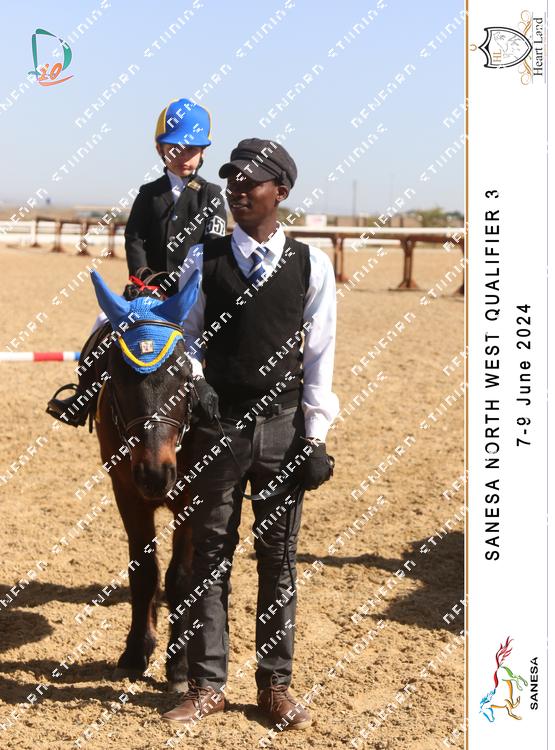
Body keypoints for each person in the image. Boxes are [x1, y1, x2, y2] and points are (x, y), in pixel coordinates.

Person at [162, 138, 338, 730]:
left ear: (280, 191)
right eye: (231, 180)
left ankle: (274, 687)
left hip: (283, 431)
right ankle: (206, 686)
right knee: (208, 558)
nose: (236, 189)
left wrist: (314, 436)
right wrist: (197, 382)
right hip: (215, 431)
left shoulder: (311, 265)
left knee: (278, 560)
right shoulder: (203, 259)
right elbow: (184, 337)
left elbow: (320, 355)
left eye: (250, 181)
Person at [46, 98, 226, 427]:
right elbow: (135, 238)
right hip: (148, 291)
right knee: (102, 323)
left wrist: (192, 284)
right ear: (160, 149)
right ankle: (82, 397)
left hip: (194, 294)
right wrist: (143, 278)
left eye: (192, 149)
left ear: (203, 152)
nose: (184, 156)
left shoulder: (211, 195)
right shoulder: (148, 193)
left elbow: (212, 246)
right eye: (176, 148)